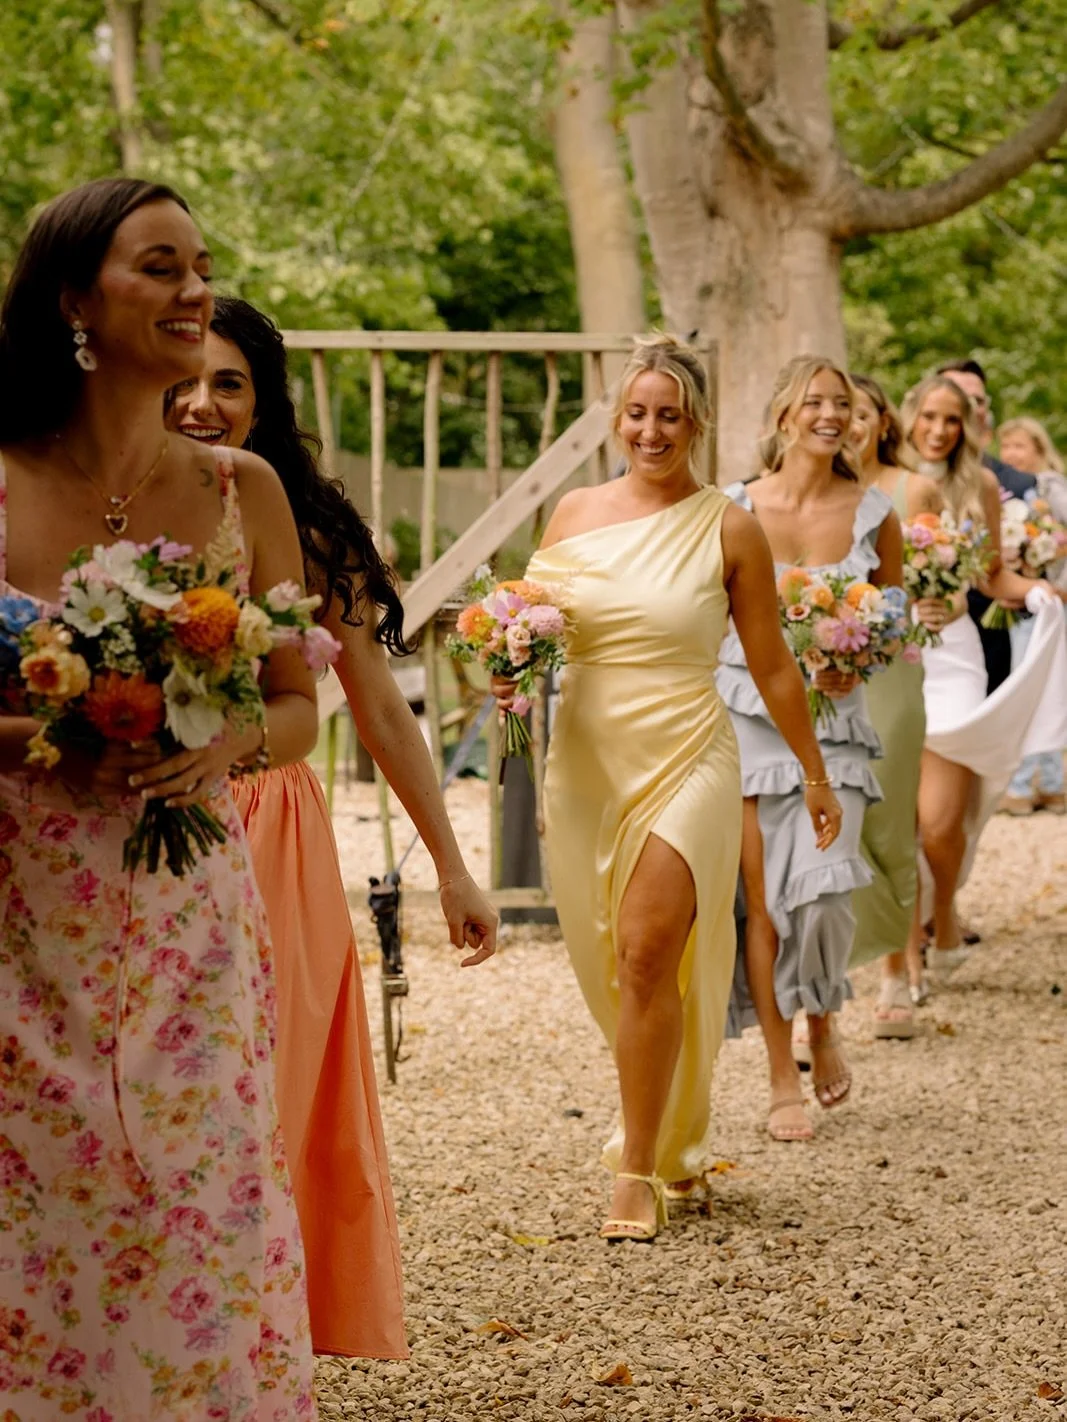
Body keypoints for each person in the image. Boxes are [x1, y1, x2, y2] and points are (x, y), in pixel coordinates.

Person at [0, 180, 317, 1415]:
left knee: (195, 1216)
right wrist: (44, 742)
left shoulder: (245, 490)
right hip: (20, 925)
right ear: (75, 301)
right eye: (160, 266)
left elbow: (297, 706)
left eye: (202, 267)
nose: (195, 292)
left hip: (188, 930)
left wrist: (225, 738)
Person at [165, 295, 498, 1355]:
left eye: (229, 384)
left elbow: (380, 709)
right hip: (141, 813)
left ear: (264, 403)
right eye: (186, 379)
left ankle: (254, 1327)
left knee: (268, 1080)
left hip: (274, 829)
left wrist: (451, 865)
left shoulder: (306, 532)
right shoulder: (102, 503)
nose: (202, 402)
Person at [494, 335, 842, 1237]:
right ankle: (678, 1137)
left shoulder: (728, 527)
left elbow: (770, 664)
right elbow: (524, 629)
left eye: (670, 416)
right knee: (614, 961)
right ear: (618, 419)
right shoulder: (572, 514)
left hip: (688, 752)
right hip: (586, 762)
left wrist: (813, 774)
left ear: (697, 424)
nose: (651, 431)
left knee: (649, 952)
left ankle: (637, 1168)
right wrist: (504, 667)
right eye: (637, 414)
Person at [718, 356, 903, 1141]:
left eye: (843, 404)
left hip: (837, 725)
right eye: (814, 402)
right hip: (749, 715)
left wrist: (854, 659)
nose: (830, 415)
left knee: (824, 896)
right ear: (783, 415)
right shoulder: (732, 506)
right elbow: (708, 611)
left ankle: (822, 1019)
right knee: (763, 906)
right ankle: (776, 1072)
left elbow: (892, 618)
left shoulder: (874, 514)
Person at [898, 375, 1062, 993]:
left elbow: (992, 576)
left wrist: (1038, 591)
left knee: (940, 821)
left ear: (967, 426)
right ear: (910, 417)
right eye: (929, 416)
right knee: (898, 818)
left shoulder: (981, 485)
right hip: (895, 652)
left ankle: (944, 912)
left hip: (956, 659)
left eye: (952, 419)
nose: (939, 430)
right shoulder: (883, 480)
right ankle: (906, 957)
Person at [846, 375, 942, 1037]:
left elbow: (944, 584)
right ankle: (823, 976)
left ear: (883, 421)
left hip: (892, 669)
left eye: (859, 412)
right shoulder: (800, 494)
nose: (846, 423)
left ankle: (895, 969)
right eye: (833, 410)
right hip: (819, 670)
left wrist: (942, 607)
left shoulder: (914, 489)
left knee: (889, 812)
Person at [935, 358, 1036, 692]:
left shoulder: (1017, 483)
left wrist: (1033, 582)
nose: (967, 406)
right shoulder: (903, 476)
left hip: (1000, 642)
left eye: (977, 400)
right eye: (956, 395)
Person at [995, 416, 1067, 815]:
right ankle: (1050, 784)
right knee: (1041, 688)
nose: (1010, 454)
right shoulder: (1013, 490)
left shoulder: (1050, 486)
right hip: (1026, 602)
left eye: (1019, 445)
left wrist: (1059, 584)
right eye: (1006, 446)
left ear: (1039, 448)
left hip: (1048, 604)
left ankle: (1025, 787)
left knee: (1035, 688)